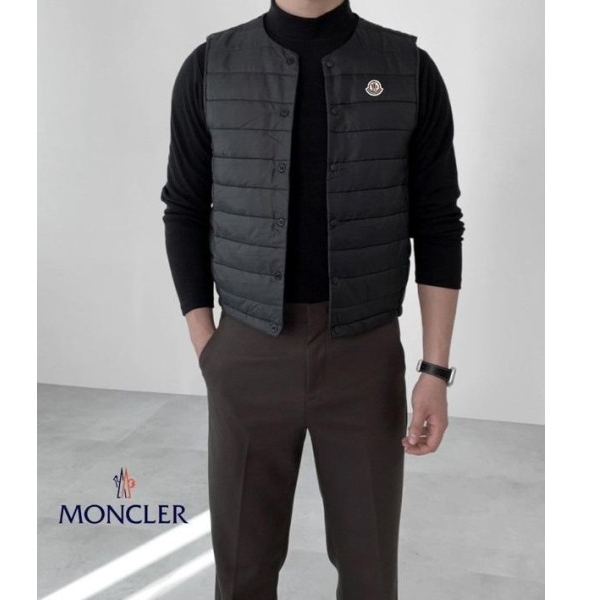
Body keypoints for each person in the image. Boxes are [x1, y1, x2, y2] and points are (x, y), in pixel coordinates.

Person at [160, 0, 465, 597]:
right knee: (242, 571)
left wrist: (434, 370)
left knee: (370, 572)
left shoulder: (408, 69)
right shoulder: (209, 67)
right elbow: (185, 208)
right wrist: (208, 346)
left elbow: (437, 223)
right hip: (246, 348)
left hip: (365, 354)